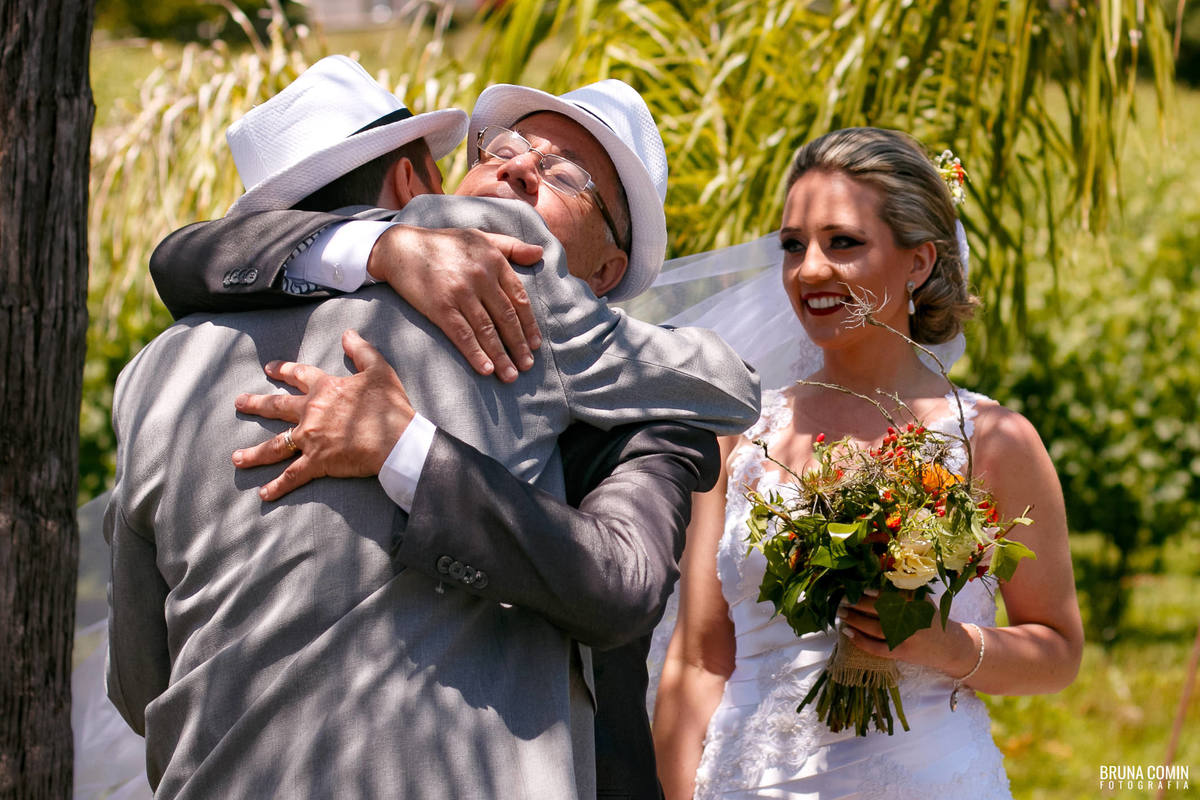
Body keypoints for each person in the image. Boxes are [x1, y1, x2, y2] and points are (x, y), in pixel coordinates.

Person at [106, 56, 759, 799]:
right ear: (418, 188)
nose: (519, 171)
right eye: (502, 149)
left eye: (567, 175)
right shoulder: (457, 269)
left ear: (608, 272)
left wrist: (407, 451)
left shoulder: (153, 374)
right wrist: (378, 247)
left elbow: (140, 684)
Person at [651, 127, 1084, 799]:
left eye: (843, 242)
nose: (809, 270)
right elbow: (697, 662)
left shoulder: (993, 441)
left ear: (918, 262)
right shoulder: (740, 437)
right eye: (793, 245)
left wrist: (947, 645)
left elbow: (1058, 650)